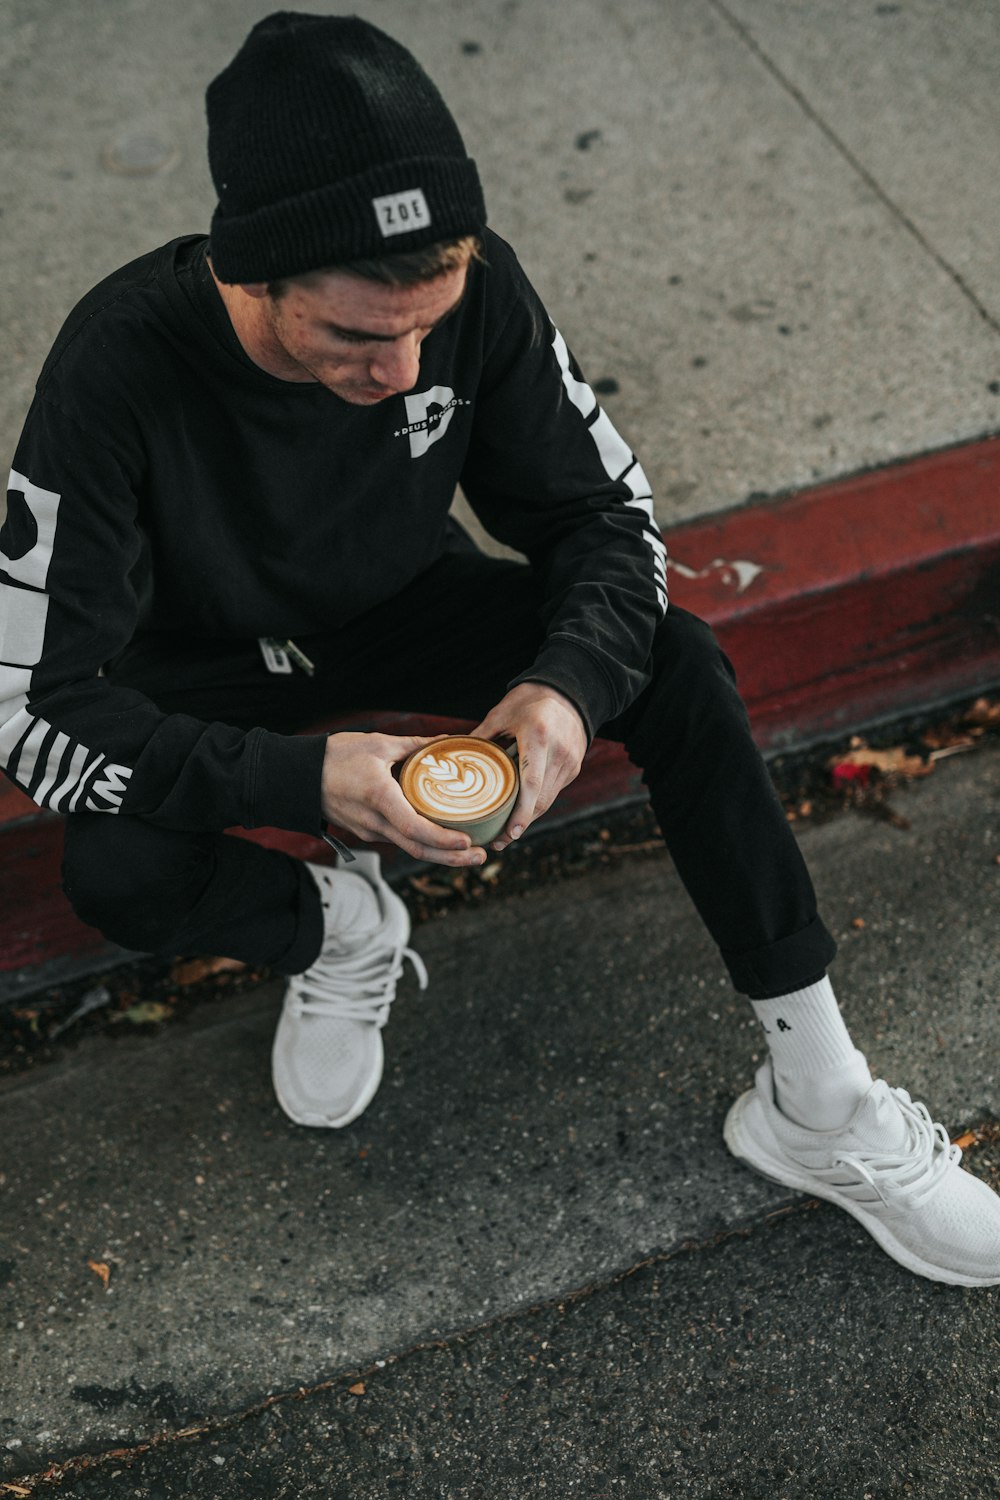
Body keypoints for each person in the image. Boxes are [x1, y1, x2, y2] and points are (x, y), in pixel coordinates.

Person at [1, 11, 996, 1287]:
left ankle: (817, 1097)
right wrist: (295, 782)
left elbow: (603, 519)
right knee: (121, 866)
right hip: (206, 652)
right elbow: (36, 710)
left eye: (429, 320)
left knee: (674, 662)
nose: (402, 366)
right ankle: (341, 932)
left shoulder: (477, 294)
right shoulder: (116, 368)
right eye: (355, 337)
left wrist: (561, 691)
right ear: (252, 274)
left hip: (404, 604)